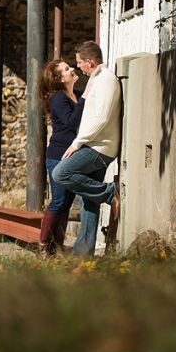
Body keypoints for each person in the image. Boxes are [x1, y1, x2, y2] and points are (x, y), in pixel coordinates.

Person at [51, 40, 121, 257]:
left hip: (100, 147)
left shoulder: (106, 80)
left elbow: (100, 119)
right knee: (89, 201)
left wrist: (77, 143)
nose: (77, 66)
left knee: (60, 173)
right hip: (95, 143)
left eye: (80, 62)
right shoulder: (96, 79)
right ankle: (83, 254)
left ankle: (111, 193)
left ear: (90, 62)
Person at [37, 58, 85, 256]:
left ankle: (58, 246)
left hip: (73, 154)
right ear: (59, 78)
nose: (72, 69)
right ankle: (43, 244)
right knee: (58, 200)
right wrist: (85, 99)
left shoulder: (78, 94)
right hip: (58, 155)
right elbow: (71, 122)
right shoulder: (58, 98)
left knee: (67, 201)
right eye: (66, 69)